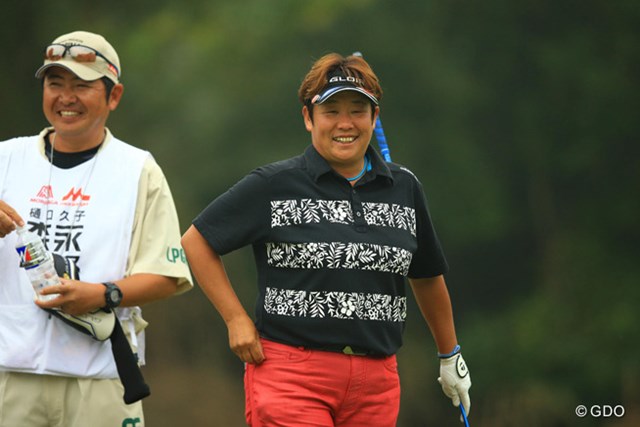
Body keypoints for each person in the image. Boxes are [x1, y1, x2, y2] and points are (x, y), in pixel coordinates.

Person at [181, 53, 471, 426]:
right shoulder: (274, 184)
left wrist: (449, 355)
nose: (345, 123)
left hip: (377, 380)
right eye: (331, 111)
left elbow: (427, 275)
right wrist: (236, 319)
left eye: (358, 110)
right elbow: (197, 240)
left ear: (374, 117)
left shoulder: (404, 187)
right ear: (308, 117)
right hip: (291, 373)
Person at [0, 30, 193, 427]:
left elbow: (168, 276)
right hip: (9, 371)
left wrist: (102, 294)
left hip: (101, 374)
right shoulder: (6, 158)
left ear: (114, 96)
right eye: (55, 84)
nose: (65, 98)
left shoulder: (138, 169)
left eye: (82, 86)